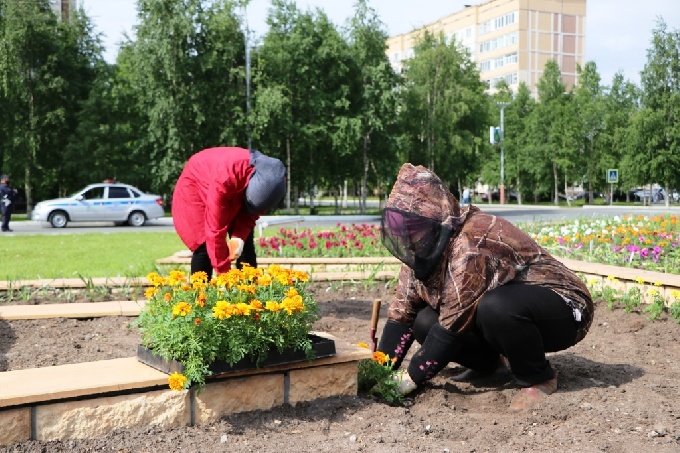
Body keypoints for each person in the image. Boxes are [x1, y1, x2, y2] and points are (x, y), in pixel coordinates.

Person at [377, 163, 593, 412]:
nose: (407, 238)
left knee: (495, 307)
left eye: (413, 230)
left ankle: (539, 377)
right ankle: (490, 365)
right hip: (506, 308)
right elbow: (402, 314)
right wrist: (381, 370)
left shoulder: (471, 243)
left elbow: (453, 323)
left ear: (435, 222)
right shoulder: (422, 251)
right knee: (424, 322)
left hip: (563, 308)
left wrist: (411, 378)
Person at [171, 147, 286, 277]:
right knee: (204, 247)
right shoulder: (224, 180)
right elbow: (215, 231)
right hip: (196, 186)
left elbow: (250, 215)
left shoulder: (272, 180)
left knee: (244, 245)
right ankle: (200, 294)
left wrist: (238, 238)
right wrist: (225, 277)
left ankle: (250, 293)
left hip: (236, 186)